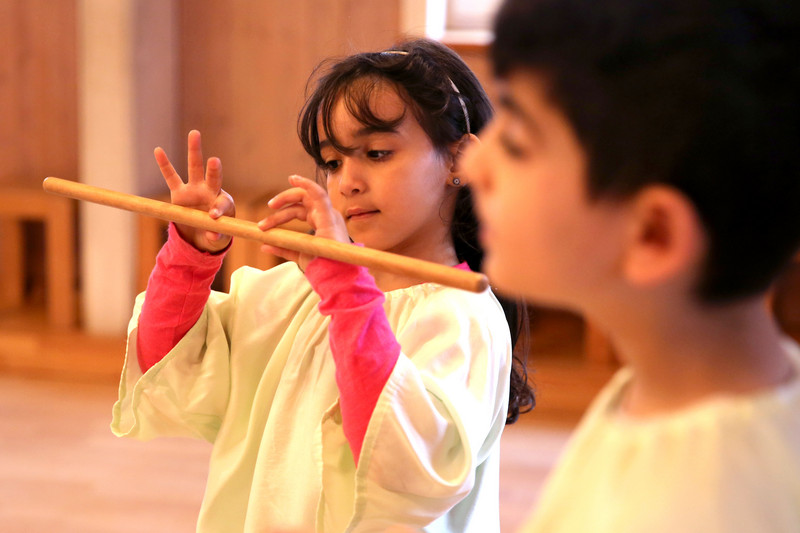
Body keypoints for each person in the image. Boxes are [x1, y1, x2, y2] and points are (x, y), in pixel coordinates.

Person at [111, 38, 534, 532]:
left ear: (461, 161)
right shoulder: (298, 291)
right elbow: (170, 366)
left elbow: (398, 467)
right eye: (332, 162)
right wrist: (190, 253)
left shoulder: (461, 316)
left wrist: (346, 292)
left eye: (376, 153)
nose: (347, 182)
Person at [465, 0, 800, 531]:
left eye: (516, 142)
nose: (472, 164)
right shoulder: (683, 392)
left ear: (653, 235)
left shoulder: (701, 508)